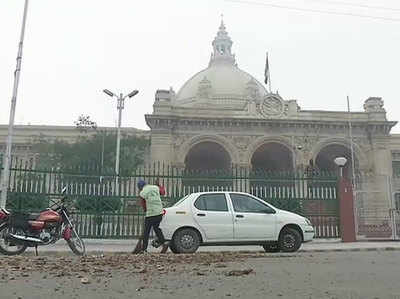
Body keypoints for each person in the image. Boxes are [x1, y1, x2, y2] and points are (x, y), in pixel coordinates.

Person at [136, 179, 168, 254]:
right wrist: (159, 185)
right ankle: (164, 242)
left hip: (151, 214)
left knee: (146, 232)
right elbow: (163, 192)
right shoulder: (155, 187)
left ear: (140, 187)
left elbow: (143, 204)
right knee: (156, 228)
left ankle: (144, 249)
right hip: (160, 212)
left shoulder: (142, 192)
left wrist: (145, 211)